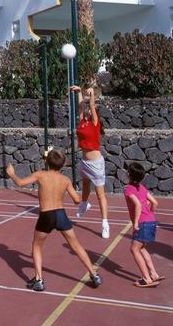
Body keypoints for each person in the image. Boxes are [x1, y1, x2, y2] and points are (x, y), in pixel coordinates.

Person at [6, 148, 102, 292]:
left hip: (46, 215)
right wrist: (84, 198)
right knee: (76, 245)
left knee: (37, 246)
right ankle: (94, 275)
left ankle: (39, 280)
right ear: (63, 165)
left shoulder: (40, 175)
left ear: (46, 161)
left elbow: (20, 183)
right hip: (61, 214)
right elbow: (77, 200)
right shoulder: (65, 180)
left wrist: (12, 174)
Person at [71, 85, 110, 239]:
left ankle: (105, 224)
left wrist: (92, 94)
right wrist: (79, 92)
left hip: (96, 164)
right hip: (84, 162)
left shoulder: (95, 123)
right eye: (86, 111)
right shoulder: (82, 123)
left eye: (90, 111)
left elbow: (91, 105)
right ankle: (84, 204)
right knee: (85, 186)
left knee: (100, 195)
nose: (87, 111)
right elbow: (81, 107)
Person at [124, 162, 163, 287]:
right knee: (141, 248)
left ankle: (146, 278)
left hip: (142, 223)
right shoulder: (143, 188)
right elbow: (155, 202)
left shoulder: (128, 189)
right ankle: (154, 273)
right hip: (151, 221)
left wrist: (135, 222)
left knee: (134, 249)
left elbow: (138, 205)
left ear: (129, 175)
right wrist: (150, 214)